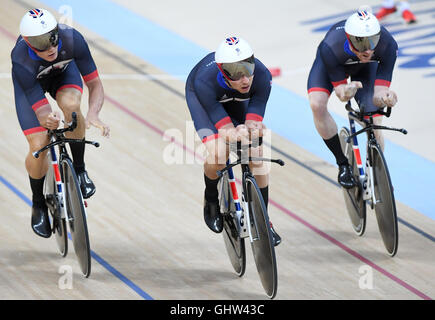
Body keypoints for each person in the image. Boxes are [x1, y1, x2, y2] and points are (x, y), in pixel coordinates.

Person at [11, 8, 109, 238]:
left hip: (64, 75)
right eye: (41, 43)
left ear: (57, 32)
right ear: (28, 42)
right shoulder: (21, 59)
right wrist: (49, 119)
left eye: (52, 38)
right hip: (32, 87)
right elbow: (42, 111)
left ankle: (80, 169)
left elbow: (95, 84)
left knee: (73, 109)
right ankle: (38, 203)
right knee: (39, 145)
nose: (50, 47)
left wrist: (93, 114)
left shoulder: (73, 39)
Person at [185, 37, 281, 246]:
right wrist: (233, 133)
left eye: (248, 69)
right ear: (222, 72)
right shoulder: (204, 81)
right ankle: (211, 198)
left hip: (235, 100)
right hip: (204, 100)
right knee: (220, 152)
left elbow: (254, 119)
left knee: (255, 154)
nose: (245, 79)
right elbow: (226, 129)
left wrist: (252, 129)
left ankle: (264, 220)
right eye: (236, 75)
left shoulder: (262, 76)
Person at [307, 7, 398, 189]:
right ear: (349, 39)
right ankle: (342, 164)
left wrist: (386, 98)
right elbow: (341, 94)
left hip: (365, 70)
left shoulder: (388, 44)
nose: (367, 50)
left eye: (372, 42)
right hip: (333, 67)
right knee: (317, 104)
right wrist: (345, 91)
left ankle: (375, 169)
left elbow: (379, 94)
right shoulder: (330, 46)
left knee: (374, 117)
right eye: (362, 44)